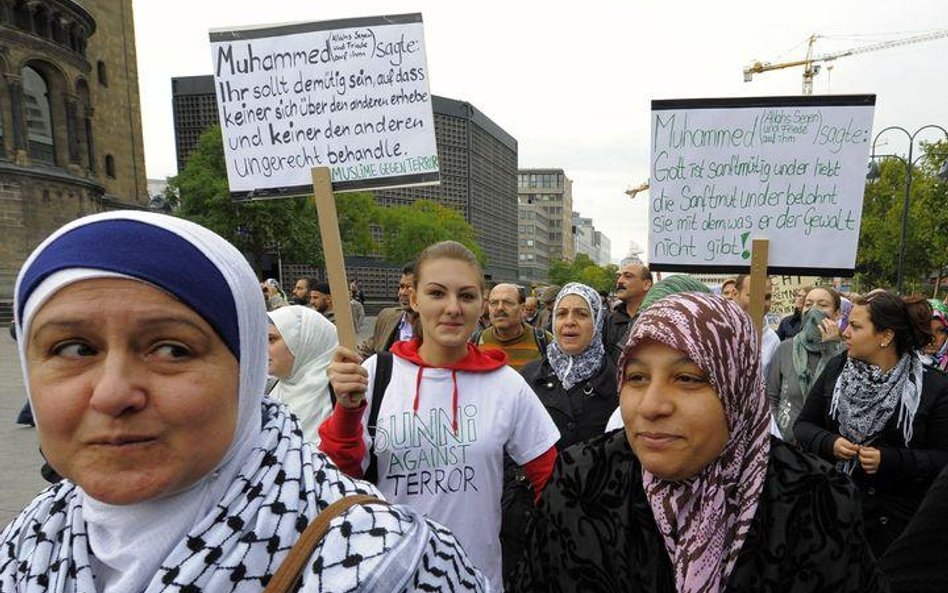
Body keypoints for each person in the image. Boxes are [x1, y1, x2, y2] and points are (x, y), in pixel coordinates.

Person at [1, 211, 488, 593]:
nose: (111, 394)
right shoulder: (23, 545)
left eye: (172, 350)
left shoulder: (388, 563)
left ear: (246, 366)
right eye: (74, 349)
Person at [513, 292, 887, 593]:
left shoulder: (815, 501)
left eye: (689, 378)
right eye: (638, 377)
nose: (652, 405)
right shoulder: (582, 482)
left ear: (737, 388)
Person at [320, 240, 560, 592]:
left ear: (482, 303)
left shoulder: (506, 384)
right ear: (414, 299)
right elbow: (338, 479)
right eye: (436, 293)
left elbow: (552, 483)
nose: (452, 308)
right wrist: (347, 411)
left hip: (474, 581)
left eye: (466, 296)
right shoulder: (376, 373)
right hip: (387, 578)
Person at [794, 289, 948, 556]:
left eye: (855, 326)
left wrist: (890, 459)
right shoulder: (837, 369)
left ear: (886, 336)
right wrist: (829, 442)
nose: (845, 333)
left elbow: (941, 459)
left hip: (895, 531)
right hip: (834, 518)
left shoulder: (933, 387)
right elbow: (803, 426)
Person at [766, 286, 845, 443]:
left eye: (822, 305)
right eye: (808, 304)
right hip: (787, 446)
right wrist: (777, 436)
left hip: (825, 446)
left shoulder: (846, 353)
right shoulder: (785, 348)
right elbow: (771, 398)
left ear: (836, 315)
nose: (814, 311)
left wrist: (831, 348)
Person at [267, 305, 337, 444]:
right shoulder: (272, 389)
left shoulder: (341, 394)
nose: (263, 346)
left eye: (272, 339)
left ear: (303, 343)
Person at [474, 283, 553, 372]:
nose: (500, 308)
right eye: (494, 303)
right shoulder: (475, 342)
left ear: (523, 308)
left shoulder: (545, 342)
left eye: (508, 302)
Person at [358, 263, 416, 357]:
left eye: (409, 288)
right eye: (401, 287)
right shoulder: (387, 317)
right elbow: (368, 351)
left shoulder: (436, 327)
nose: (402, 293)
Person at [603, 261, 652, 367]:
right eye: (619, 276)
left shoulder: (658, 319)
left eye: (628, 276)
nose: (619, 281)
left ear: (646, 284)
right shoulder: (609, 321)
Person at [734, 274, 780, 375]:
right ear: (735, 295)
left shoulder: (773, 341)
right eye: (754, 296)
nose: (761, 303)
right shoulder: (718, 332)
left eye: (767, 297)